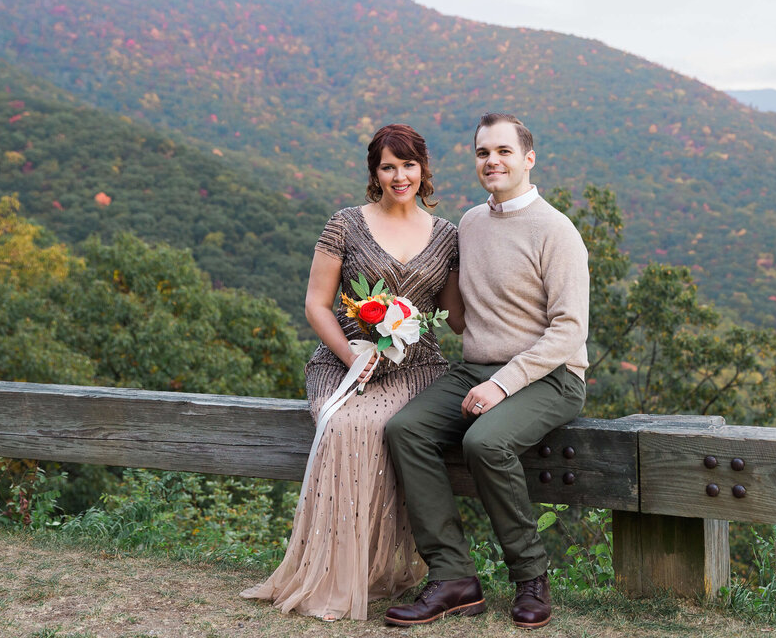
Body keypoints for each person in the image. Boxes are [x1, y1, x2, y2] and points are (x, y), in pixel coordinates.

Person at [243, 124, 464, 621]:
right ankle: (333, 574)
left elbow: (454, 317)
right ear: (375, 172)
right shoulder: (344, 224)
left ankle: (374, 567)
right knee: (346, 426)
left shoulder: (448, 235)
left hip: (418, 366)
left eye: (408, 165)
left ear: (424, 169)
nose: (399, 175)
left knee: (384, 428)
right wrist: (352, 355)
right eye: (388, 166)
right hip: (345, 362)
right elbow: (316, 305)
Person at [384, 113, 589, 630]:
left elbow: (568, 332)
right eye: (482, 153)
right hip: (475, 367)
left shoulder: (556, 231)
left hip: (552, 375)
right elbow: (453, 307)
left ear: (528, 159)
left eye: (503, 151)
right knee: (405, 431)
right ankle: (453, 577)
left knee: (485, 443)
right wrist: (387, 317)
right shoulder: (471, 224)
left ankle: (531, 576)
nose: (492, 161)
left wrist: (502, 384)